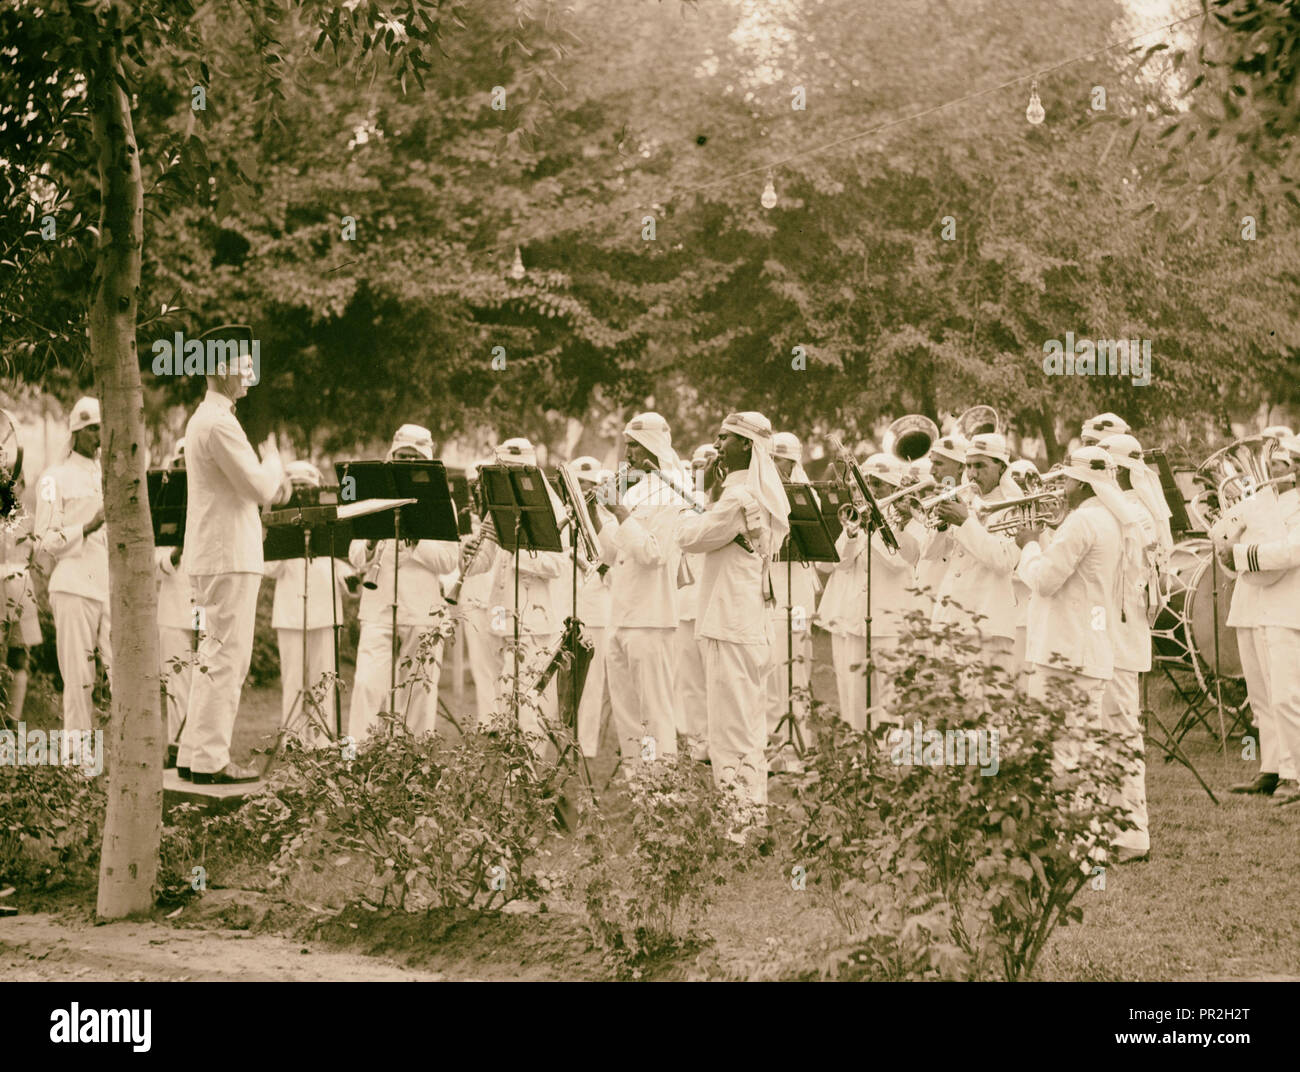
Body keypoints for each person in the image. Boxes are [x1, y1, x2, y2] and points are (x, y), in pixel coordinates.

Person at [1016, 446, 1144, 863]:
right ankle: (1087, 843)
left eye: (1066, 479)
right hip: (1089, 651)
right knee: (1082, 750)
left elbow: (1045, 581)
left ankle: (1078, 848)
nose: (1060, 486)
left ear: (1080, 482)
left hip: (1065, 652)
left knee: (1063, 753)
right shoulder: (1111, 519)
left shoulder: (1084, 520)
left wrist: (1030, 545)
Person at [178, 358, 291, 784]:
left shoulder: (202, 419)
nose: (249, 377)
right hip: (229, 559)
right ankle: (210, 760)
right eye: (242, 369)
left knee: (210, 655)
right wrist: (275, 461)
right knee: (227, 658)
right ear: (221, 370)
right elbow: (261, 487)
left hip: (213, 557)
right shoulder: (219, 423)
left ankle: (194, 754)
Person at [677, 412, 790, 826]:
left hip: (731, 624)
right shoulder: (751, 493)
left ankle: (740, 826)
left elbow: (689, 537)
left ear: (746, 445)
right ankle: (750, 818)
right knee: (746, 728)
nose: (718, 446)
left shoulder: (739, 497)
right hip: (746, 622)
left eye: (725, 439)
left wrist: (696, 494)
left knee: (731, 733)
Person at [348, 425, 460, 741]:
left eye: (415, 457)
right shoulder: (373, 495)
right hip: (378, 603)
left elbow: (450, 561)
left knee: (418, 693)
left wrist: (414, 543)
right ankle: (355, 758)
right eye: (402, 456)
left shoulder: (442, 502)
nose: (408, 462)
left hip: (423, 609)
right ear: (392, 457)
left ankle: (413, 764)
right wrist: (369, 543)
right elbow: (355, 554)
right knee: (367, 684)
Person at [1212, 433, 1300, 803]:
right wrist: (1228, 529)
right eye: (1270, 463)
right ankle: (1272, 767)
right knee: (1261, 696)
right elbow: (1219, 536)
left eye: (1279, 465)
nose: (1270, 471)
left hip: (1287, 606)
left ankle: (1294, 776)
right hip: (1252, 604)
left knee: (1287, 695)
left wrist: (1243, 551)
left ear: (1295, 469)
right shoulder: (1259, 502)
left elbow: (1291, 551)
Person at [466, 437, 570, 746]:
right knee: (504, 699)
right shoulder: (496, 507)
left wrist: (512, 549)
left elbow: (556, 564)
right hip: (500, 616)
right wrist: (470, 554)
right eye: (500, 470)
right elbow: (481, 563)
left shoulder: (549, 506)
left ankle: (529, 778)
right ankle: (514, 779)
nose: (504, 477)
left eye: (511, 470)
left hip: (535, 619)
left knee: (529, 707)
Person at [597, 413, 685, 763]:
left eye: (635, 446)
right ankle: (639, 789)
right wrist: (595, 515)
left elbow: (653, 553)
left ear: (652, 447)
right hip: (621, 613)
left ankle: (661, 792)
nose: (628, 454)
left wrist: (619, 511)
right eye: (627, 445)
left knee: (655, 715)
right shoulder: (634, 490)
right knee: (628, 717)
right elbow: (612, 552)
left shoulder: (673, 490)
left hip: (651, 618)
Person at [816, 453, 921, 732]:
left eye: (879, 486)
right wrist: (852, 534)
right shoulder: (856, 518)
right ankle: (858, 757)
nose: (870, 493)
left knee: (891, 701)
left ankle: (890, 760)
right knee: (852, 698)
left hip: (890, 624)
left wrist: (874, 527)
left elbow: (898, 561)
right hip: (850, 621)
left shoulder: (909, 522)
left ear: (895, 490)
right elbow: (834, 564)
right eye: (866, 485)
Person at [1098, 433, 1162, 861]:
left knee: (1121, 733)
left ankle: (1134, 835)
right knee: (1108, 732)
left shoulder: (1133, 513)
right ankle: (1112, 825)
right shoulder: (1123, 510)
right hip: (1109, 634)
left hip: (1119, 637)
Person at [34, 397, 111, 752]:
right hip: (73, 587)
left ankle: (124, 764)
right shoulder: (53, 478)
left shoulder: (113, 473)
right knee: (80, 680)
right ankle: (79, 767)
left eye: (100, 427)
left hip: (112, 588)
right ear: (76, 433)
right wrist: (87, 526)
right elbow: (43, 542)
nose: (98, 435)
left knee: (121, 674)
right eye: (91, 428)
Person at [265, 460, 351, 747]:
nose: (302, 492)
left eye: (306, 487)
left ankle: (324, 740)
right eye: (296, 487)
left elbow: (343, 562)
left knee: (324, 677)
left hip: (326, 609)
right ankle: (293, 740)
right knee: (293, 680)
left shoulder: (331, 522)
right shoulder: (279, 521)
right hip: (290, 612)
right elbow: (270, 569)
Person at [930, 432, 1021, 682]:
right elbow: (930, 554)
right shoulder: (966, 501)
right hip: (951, 619)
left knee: (985, 714)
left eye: (980, 466)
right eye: (969, 466)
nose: (972, 474)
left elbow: (1003, 561)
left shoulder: (1015, 506)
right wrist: (941, 527)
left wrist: (965, 521)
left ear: (1001, 468)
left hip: (988, 623)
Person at [765, 432, 821, 769]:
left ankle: (800, 744)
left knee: (797, 664)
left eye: (779, 461)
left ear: (792, 462)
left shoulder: (806, 496)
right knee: (771, 666)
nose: (773, 466)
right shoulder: (761, 493)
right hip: (772, 591)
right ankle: (774, 742)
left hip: (798, 594)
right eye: (769, 460)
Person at [449, 458, 507, 732]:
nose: (477, 493)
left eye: (480, 487)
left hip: (497, 599)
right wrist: (466, 545)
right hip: (472, 597)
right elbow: (460, 563)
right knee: (480, 665)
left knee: (501, 661)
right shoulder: (465, 519)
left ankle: (505, 718)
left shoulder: (501, 514)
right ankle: (488, 722)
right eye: (474, 487)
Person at [155, 440, 195, 763]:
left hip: (202, 608)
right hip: (171, 607)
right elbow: (152, 559)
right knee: (176, 687)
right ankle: (176, 749)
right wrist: (174, 554)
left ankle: (197, 749)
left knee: (204, 681)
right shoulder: (163, 501)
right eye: (180, 462)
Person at [674, 445, 715, 761]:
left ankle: (719, 740)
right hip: (685, 603)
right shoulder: (683, 502)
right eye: (696, 466)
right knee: (689, 681)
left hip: (712, 603)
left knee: (716, 680)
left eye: (707, 466)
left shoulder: (720, 502)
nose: (699, 472)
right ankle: (698, 741)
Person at [2, 471, 39, 728]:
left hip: (20, 586)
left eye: (16, 484)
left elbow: (34, 556)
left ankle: (12, 722)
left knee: (19, 656)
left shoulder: (28, 520)